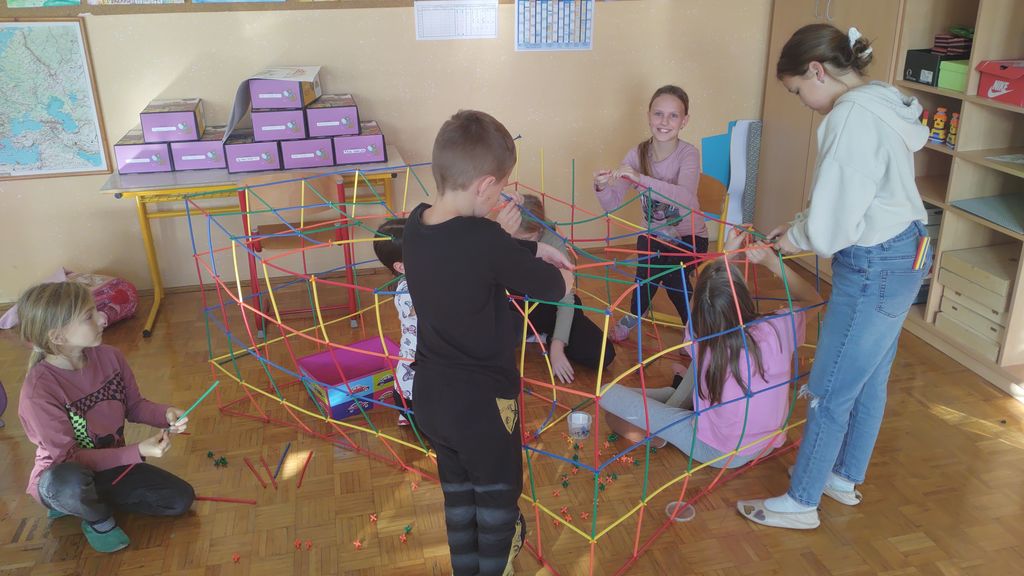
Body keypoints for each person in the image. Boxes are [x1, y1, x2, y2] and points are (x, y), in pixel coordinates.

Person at [737, 24, 933, 530]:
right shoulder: (878, 100)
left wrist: (795, 238)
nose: (803, 102)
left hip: (876, 263)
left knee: (830, 385)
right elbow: (853, 195)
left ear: (816, 71)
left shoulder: (848, 118)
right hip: (907, 250)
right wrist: (798, 226)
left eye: (797, 90)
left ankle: (802, 502)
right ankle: (842, 477)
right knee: (867, 378)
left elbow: (834, 227)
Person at [403, 110, 573, 576]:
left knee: (459, 499)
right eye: (499, 191)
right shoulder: (485, 238)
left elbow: (468, 254)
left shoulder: (415, 226)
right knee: (497, 504)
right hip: (483, 407)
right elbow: (552, 287)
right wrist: (561, 270)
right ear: (483, 186)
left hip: (432, 399)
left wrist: (528, 246)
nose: (500, 199)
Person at [601, 231, 821, 469]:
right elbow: (814, 299)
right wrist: (772, 262)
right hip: (767, 442)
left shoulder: (699, 337)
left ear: (697, 310)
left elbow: (701, 288)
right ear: (743, 296)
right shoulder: (777, 327)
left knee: (607, 395)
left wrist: (725, 254)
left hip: (720, 453)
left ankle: (664, 428)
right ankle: (671, 401)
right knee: (693, 374)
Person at [16, 282, 194, 553]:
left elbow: (134, 406)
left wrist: (165, 414)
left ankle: (87, 502)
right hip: (64, 476)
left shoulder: (111, 357)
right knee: (70, 484)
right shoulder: (38, 392)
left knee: (180, 499)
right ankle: (96, 518)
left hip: (111, 466)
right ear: (58, 337)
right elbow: (70, 458)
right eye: (89, 316)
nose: (102, 317)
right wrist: (137, 451)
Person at [594, 85, 709, 342]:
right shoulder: (637, 154)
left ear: (684, 121)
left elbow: (686, 199)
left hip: (690, 238)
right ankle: (638, 314)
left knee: (671, 272)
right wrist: (602, 187)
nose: (664, 122)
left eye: (673, 115)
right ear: (648, 116)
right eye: (658, 114)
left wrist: (641, 179)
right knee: (646, 272)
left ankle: (693, 329)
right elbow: (612, 205)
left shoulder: (689, 154)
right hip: (654, 236)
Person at [500, 194, 616, 383]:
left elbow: (566, 299)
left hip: (547, 306)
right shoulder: (497, 236)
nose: (522, 246)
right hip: (513, 306)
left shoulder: (553, 242)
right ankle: (528, 333)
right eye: (515, 240)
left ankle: (545, 335)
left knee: (603, 354)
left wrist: (557, 346)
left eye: (527, 239)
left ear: (539, 230)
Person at [372, 217, 418, 427]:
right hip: (413, 392)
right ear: (401, 267)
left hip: (418, 378)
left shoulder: (419, 278)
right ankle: (408, 414)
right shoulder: (406, 290)